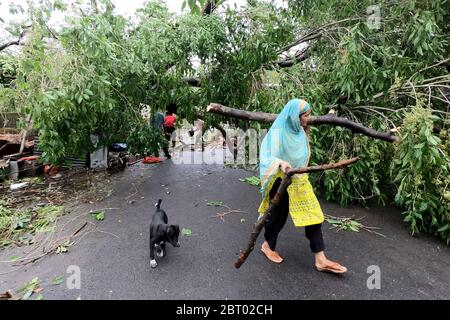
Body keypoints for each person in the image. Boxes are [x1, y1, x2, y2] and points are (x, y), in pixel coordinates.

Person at [258, 99, 347, 274]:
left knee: (313, 214)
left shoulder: (299, 132)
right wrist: (281, 163)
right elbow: (265, 154)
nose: (308, 119)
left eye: (308, 115)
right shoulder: (277, 132)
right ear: (294, 116)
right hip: (280, 179)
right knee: (278, 216)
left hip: (300, 178)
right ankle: (268, 245)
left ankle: (320, 259)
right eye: (305, 116)